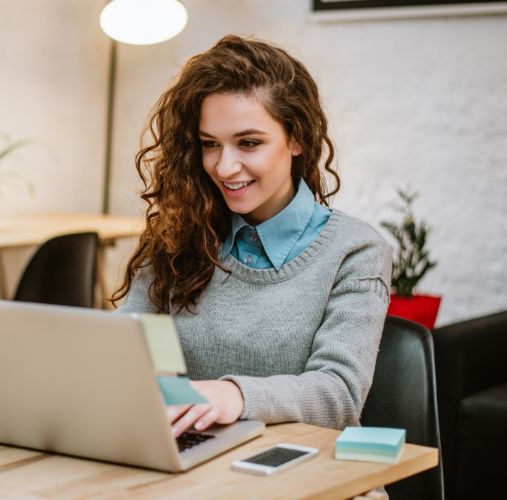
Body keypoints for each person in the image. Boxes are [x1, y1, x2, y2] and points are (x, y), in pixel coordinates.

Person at [113, 35, 393, 439]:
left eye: (249, 143)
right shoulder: (181, 237)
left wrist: (234, 395)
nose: (225, 167)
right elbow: (127, 347)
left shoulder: (355, 251)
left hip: (305, 470)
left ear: (296, 138)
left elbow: (338, 393)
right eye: (210, 145)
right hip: (195, 460)